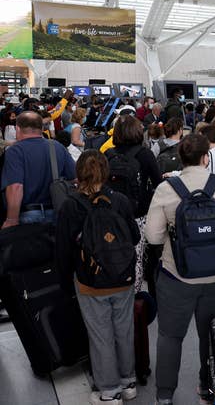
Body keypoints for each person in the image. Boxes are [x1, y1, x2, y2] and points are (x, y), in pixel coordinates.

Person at [144, 134, 215, 405]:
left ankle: (164, 396)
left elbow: (153, 237)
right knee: (211, 332)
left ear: (181, 156)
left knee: (170, 336)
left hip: (177, 276)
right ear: (205, 157)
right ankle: (207, 389)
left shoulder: (166, 189)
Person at [55, 150, 141, 405]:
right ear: (105, 171)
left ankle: (109, 390)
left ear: (79, 172)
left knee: (100, 335)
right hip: (123, 278)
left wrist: (64, 283)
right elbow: (134, 237)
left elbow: (62, 250)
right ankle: (129, 382)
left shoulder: (71, 205)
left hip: (89, 282)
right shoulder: (120, 200)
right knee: (124, 330)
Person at [107, 115, 162, 293]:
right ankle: (135, 297)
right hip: (138, 215)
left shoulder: (108, 154)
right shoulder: (145, 154)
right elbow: (158, 184)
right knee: (137, 258)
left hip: (111, 214)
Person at [2, 111, 76, 227]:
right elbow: (74, 178)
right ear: (42, 128)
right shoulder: (57, 147)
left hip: (28, 216)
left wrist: (11, 219)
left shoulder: (15, 151)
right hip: (57, 213)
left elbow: (15, 187)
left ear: (17, 128)